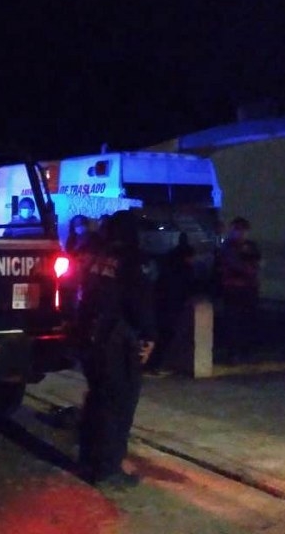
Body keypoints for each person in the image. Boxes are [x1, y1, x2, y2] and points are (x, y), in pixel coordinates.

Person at [77, 210, 156, 490]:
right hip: (117, 339)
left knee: (97, 399)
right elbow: (139, 301)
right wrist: (149, 336)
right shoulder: (133, 259)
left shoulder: (96, 254)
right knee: (118, 403)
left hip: (91, 335)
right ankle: (108, 468)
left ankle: (89, 460)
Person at [146, 232, 198, 375]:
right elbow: (187, 286)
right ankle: (153, 365)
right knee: (165, 336)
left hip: (162, 303)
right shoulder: (184, 269)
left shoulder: (169, 262)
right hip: (172, 305)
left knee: (160, 335)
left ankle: (151, 364)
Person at [217, 217, 262, 362]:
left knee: (248, 321)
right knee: (233, 321)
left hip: (249, 288)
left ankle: (246, 350)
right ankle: (233, 352)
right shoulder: (228, 247)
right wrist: (248, 268)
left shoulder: (250, 246)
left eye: (243, 230)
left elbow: (257, 263)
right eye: (238, 230)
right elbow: (235, 265)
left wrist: (251, 268)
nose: (241, 233)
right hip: (233, 288)